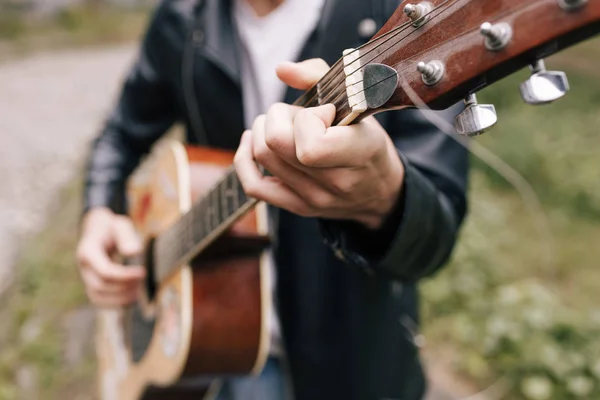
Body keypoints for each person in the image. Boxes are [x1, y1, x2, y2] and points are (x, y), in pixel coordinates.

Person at [76, 0, 469, 399]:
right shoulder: (180, 16)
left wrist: (384, 197)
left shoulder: (399, 11)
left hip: (350, 354)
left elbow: (435, 238)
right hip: (217, 335)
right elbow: (120, 133)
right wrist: (99, 210)